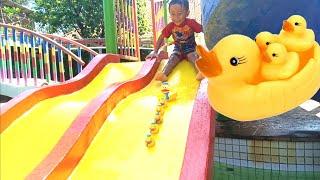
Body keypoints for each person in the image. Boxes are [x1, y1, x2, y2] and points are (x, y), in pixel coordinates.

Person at [146, 0, 205, 81]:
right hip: (178, 49)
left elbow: (203, 29)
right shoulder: (170, 26)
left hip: (191, 48)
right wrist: (155, 51)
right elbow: (161, 37)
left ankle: (200, 72)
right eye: (173, 14)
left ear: (187, 13)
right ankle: (163, 74)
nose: (176, 17)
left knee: (193, 57)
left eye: (180, 13)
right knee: (172, 59)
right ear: (170, 14)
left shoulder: (191, 23)